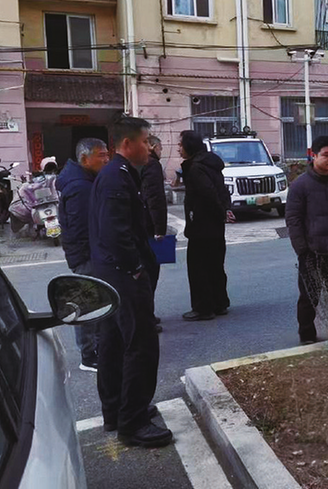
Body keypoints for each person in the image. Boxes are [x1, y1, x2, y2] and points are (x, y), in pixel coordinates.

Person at [89, 116, 171, 447]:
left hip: (112, 274)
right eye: (145, 141)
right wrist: (136, 268)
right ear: (127, 143)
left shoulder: (119, 174)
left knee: (113, 344)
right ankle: (133, 422)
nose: (150, 148)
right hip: (122, 276)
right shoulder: (116, 178)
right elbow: (115, 233)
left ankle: (117, 411)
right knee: (141, 345)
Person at [286, 135, 328, 345]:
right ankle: (307, 336)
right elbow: (293, 221)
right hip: (312, 254)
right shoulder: (300, 186)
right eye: (325, 155)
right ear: (314, 156)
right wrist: (303, 251)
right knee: (309, 298)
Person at [57, 137, 109, 372]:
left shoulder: (84, 180)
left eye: (107, 154)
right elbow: (82, 229)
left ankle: (97, 348)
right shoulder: (80, 187)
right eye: (101, 155)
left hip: (88, 255)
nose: (106, 159)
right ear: (85, 159)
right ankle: (88, 356)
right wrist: (90, 257)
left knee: (96, 301)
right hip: (87, 257)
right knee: (87, 304)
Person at [179, 130, 234, 321]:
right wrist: (224, 211)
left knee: (199, 268)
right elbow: (222, 190)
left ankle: (203, 308)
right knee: (215, 265)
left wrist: (220, 212)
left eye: (180, 145)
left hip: (201, 225)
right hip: (215, 225)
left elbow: (208, 193)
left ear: (189, 146)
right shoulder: (211, 164)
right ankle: (220, 303)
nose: (179, 149)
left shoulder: (196, 168)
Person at [141, 135, 168, 330]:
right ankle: (146, 317)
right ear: (152, 146)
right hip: (149, 225)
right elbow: (155, 197)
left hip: (141, 223)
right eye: (160, 147)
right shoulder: (152, 165)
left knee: (146, 272)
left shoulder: (139, 163)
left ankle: (146, 314)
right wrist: (160, 228)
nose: (161, 151)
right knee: (150, 272)